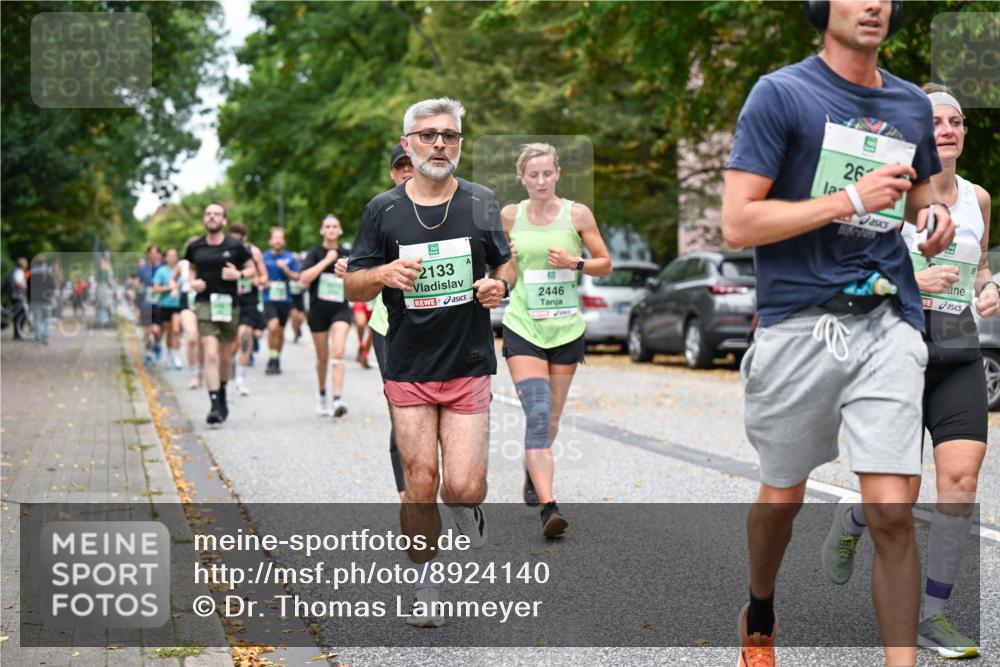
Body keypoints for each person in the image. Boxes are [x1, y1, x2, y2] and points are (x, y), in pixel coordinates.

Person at [720, 1, 957, 665]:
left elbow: (919, 197)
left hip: (888, 321)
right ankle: (760, 607)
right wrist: (850, 200)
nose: (874, 4)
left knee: (892, 513)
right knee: (781, 498)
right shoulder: (781, 95)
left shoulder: (909, 104)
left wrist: (932, 219)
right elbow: (738, 223)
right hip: (799, 321)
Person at [821, 83, 997, 660]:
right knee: (900, 495)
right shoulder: (887, 192)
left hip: (958, 352)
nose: (946, 129)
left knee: (960, 483)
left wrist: (989, 288)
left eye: (955, 122)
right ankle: (854, 519)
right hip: (895, 350)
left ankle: (933, 616)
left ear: (964, 132)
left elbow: (977, 269)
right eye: (934, 121)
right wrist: (909, 280)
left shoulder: (978, 199)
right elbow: (843, 271)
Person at [345, 98, 514, 626]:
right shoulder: (382, 210)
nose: (440, 143)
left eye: (450, 135)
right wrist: (382, 274)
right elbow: (353, 283)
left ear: (459, 143)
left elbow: (506, 263)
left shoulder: (481, 201)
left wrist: (499, 285)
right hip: (409, 364)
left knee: (463, 487)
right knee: (419, 483)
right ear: (407, 144)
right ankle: (426, 584)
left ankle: (466, 508)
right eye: (428, 135)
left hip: (468, 360)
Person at [501, 143, 611, 537]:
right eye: (533, 175)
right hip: (523, 327)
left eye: (547, 173)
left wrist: (574, 262)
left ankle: (533, 468)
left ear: (558, 174)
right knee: (538, 410)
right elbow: (502, 271)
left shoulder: (577, 214)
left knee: (550, 420)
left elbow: (605, 264)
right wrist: (505, 262)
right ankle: (550, 508)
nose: (541, 181)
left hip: (565, 330)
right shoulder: (510, 216)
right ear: (522, 178)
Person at [369, 143, 415, 498]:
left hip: (439, 326)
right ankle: (409, 498)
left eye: (412, 164)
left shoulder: (448, 209)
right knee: (401, 409)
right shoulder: (379, 212)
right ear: (391, 173)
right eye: (401, 166)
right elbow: (362, 268)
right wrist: (359, 270)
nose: (407, 171)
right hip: (388, 326)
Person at [185, 203, 256, 425]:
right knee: (211, 354)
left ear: (224, 220)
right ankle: (215, 404)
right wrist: (193, 282)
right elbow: (191, 269)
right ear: (204, 219)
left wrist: (238, 274)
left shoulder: (235, 246)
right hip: (205, 303)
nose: (212, 217)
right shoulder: (195, 247)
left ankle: (222, 390)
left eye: (216, 214)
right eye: (208, 214)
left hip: (229, 306)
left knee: (225, 357)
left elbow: (252, 269)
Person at [300, 215, 353, 417]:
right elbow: (304, 279)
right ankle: (322, 394)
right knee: (322, 357)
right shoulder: (314, 253)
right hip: (318, 311)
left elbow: (358, 276)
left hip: (340, 308)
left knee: (338, 352)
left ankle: (337, 399)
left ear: (340, 230)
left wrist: (347, 271)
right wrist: (327, 260)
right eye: (327, 226)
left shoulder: (347, 253)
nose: (331, 229)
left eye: (334, 226)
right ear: (322, 230)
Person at [228, 223, 268, 396]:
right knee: (231, 342)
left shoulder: (253, 252)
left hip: (249, 302)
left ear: (244, 238)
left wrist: (255, 280)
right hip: (228, 301)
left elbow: (264, 277)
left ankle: (240, 380)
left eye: (239, 240)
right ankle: (228, 367)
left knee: (245, 337)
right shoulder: (223, 251)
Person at [261, 227, 301, 375]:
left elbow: (297, 277)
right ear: (270, 240)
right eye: (275, 238)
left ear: (284, 241)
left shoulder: (289, 258)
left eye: (280, 238)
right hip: (269, 298)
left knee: (280, 331)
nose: (277, 241)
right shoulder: (263, 257)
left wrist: (285, 269)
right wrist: (262, 281)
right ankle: (271, 358)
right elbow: (258, 275)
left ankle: (277, 358)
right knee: (273, 326)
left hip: (285, 300)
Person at [176, 237, 203, 389]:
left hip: (204, 301)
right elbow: (173, 280)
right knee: (192, 337)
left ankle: (202, 369)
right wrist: (174, 288)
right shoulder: (182, 264)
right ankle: (193, 373)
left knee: (203, 340)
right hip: (187, 301)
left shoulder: (207, 261)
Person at [152, 249, 184, 369]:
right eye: (170, 256)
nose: (172, 258)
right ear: (166, 258)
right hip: (165, 305)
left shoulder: (180, 270)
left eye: (174, 256)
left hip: (178, 305)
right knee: (168, 332)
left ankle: (176, 355)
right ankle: (169, 355)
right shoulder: (161, 271)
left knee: (176, 330)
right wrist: (169, 288)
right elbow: (156, 288)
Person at [135, 246, 163, 365]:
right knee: (147, 331)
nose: (153, 255)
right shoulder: (142, 270)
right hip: (146, 304)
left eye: (156, 253)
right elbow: (137, 287)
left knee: (156, 331)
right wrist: (137, 305)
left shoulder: (164, 268)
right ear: (148, 255)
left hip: (160, 304)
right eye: (151, 253)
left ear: (160, 255)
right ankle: (148, 354)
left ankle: (157, 344)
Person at [28, 256, 56, 345]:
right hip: (46, 299)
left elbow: (28, 288)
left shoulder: (32, 274)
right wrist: (50, 296)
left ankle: (38, 338)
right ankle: (45, 336)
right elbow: (53, 286)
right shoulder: (48, 273)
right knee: (47, 318)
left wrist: (29, 298)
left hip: (35, 299)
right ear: (44, 263)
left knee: (37, 319)